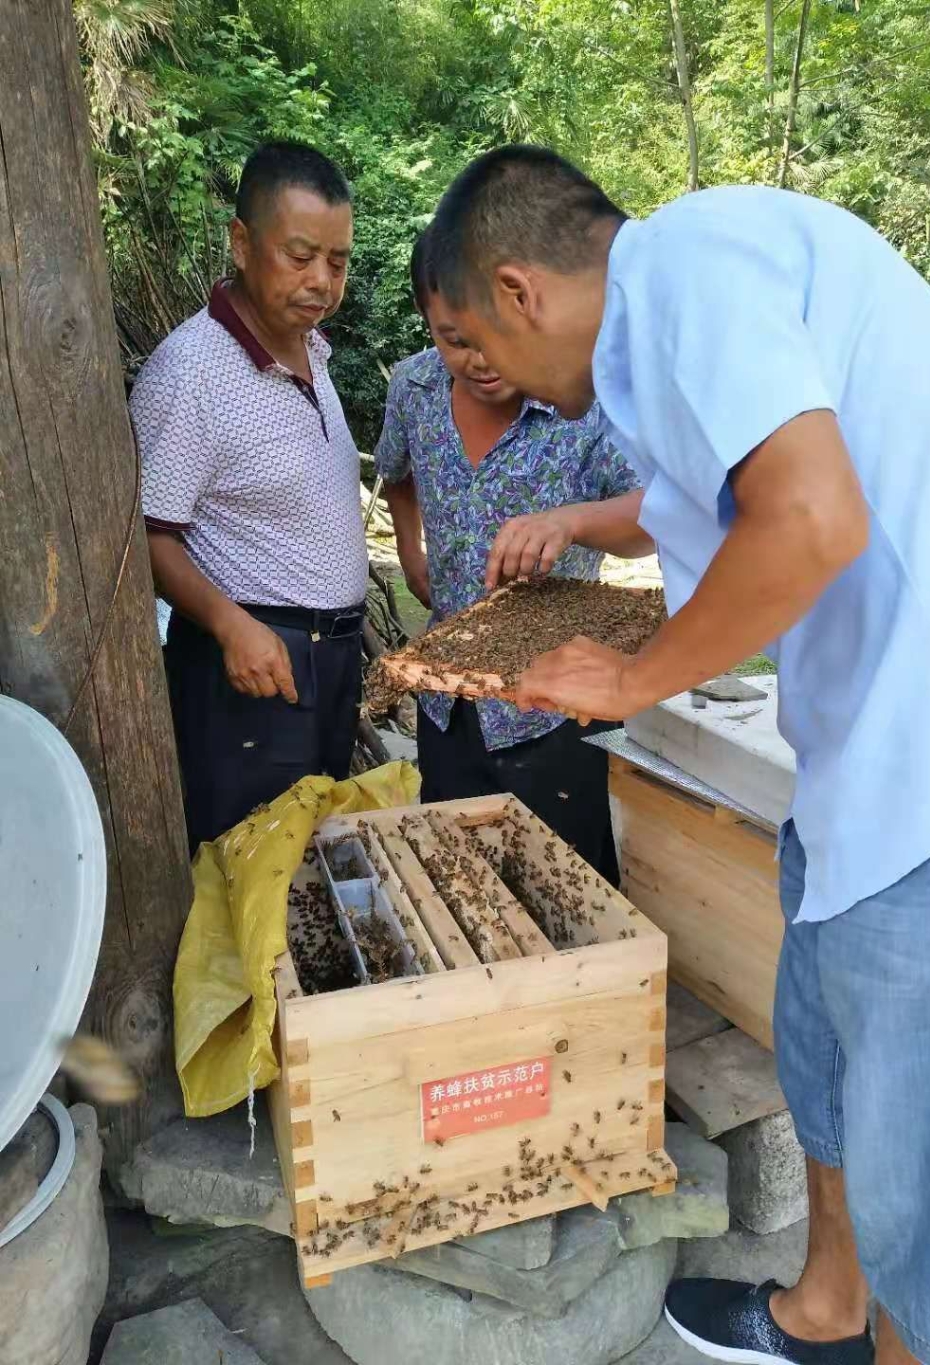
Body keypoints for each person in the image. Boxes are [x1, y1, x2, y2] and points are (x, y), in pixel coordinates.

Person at [426, 146, 930, 1365]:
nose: (473, 367)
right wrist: (577, 524)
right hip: (861, 769)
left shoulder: (688, 269)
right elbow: (715, 493)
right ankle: (827, 1312)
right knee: (820, 1059)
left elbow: (809, 516)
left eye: (464, 333)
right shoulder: (673, 317)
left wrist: (636, 676)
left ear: (519, 288)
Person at [373, 229, 652, 882]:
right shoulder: (413, 388)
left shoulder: (583, 399)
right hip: (449, 701)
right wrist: (411, 554)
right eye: (454, 338)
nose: (479, 358)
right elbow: (396, 473)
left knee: (565, 896)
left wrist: (574, 520)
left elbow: (658, 514)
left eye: (493, 334)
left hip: (558, 706)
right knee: (455, 888)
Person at [131, 141, 367, 853]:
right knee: (247, 864)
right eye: (300, 256)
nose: (321, 280)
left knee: (311, 861)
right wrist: (229, 625)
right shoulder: (191, 373)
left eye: (338, 260)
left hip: (329, 656)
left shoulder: (313, 349)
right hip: (249, 665)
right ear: (242, 242)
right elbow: (146, 537)